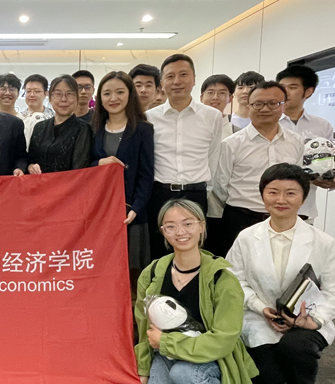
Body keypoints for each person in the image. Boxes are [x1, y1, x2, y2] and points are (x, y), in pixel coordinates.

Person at [227, 163, 335, 384]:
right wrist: (260, 307)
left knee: (296, 348)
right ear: (262, 195)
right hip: (261, 318)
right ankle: (283, 372)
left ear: (303, 197)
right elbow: (233, 281)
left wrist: (313, 320)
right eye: (273, 192)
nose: (281, 199)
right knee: (266, 381)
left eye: (290, 193)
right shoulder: (247, 237)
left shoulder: (323, 242)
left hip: (307, 320)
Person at [134, 199, 258, 384]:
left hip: (211, 356)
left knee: (185, 377)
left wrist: (166, 343)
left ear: (201, 226)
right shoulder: (153, 272)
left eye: (188, 223)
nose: (180, 232)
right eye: (171, 226)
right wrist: (144, 367)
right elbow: (142, 324)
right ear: (163, 232)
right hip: (166, 355)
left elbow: (223, 340)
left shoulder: (223, 279)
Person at [210, 81, 304, 257]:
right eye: (258, 104)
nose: (265, 109)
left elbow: (296, 182)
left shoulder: (296, 142)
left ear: (283, 106)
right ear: (249, 106)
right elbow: (220, 185)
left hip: (282, 219)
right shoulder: (231, 144)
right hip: (240, 219)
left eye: (273, 103)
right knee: (235, 269)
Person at [148, 53, 224, 259]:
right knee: (160, 252)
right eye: (170, 76)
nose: (177, 81)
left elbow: (213, 157)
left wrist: (205, 190)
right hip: (160, 193)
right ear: (162, 83)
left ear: (194, 79)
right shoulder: (149, 118)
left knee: (194, 253)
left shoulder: (212, 116)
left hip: (196, 194)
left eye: (183, 74)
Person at [90, 71, 154, 274]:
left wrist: (136, 208)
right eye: (107, 93)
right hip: (99, 210)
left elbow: (146, 173)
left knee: (131, 271)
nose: (113, 98)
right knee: (100, 268)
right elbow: (83, 168)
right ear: (100, 98)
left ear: (130, 94)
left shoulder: (143, 129)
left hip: (130, 212)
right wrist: (99, 163)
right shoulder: (93, 128)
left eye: (120, 92)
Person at [276, 65, 335, 223]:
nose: (285, 92)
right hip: (268, 206)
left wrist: (332, 180)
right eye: (282, 87)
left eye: (292, 87)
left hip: (304, 209)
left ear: (308, 92)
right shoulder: (268, 123)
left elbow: (330, 163)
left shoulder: (322, 126)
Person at [27, 75, 91, 174]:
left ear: (77, 98)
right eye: (58, 94)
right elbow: (30, 159)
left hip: (69, 183)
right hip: (39, 182)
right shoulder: (39, 127)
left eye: (69, 94)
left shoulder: (82, 128)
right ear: (50, 98)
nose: (63, 99)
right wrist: (30, 167)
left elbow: (79, 169)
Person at [200, 73, 237, 139]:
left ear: (230, 98)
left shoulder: (235, 132)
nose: (215, 97)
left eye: (222, 93)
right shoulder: (190, 125)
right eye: (210, 92)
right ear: (201, 98)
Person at [20, 73, 54, 145]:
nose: (32, 95)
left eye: (37, 91)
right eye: (28, 91)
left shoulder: (53, 117)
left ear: (46, 93)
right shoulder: (19, 119)